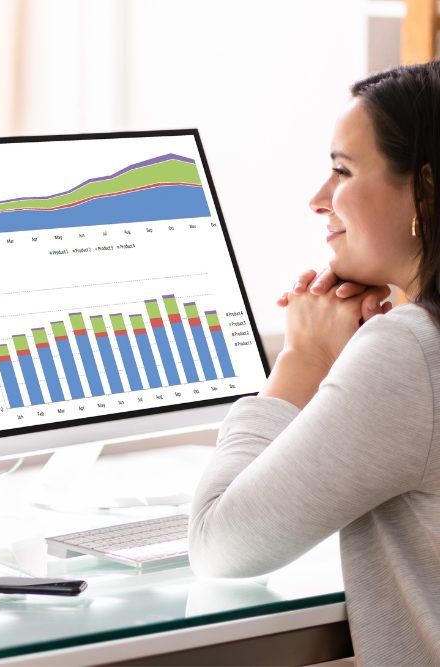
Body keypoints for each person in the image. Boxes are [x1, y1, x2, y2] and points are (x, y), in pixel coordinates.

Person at [187, 62, 440, 664]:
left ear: (425, 191)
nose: (318, 199)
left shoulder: (412, 353)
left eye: (342, 170)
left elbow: (218, 547)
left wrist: (304, 358)